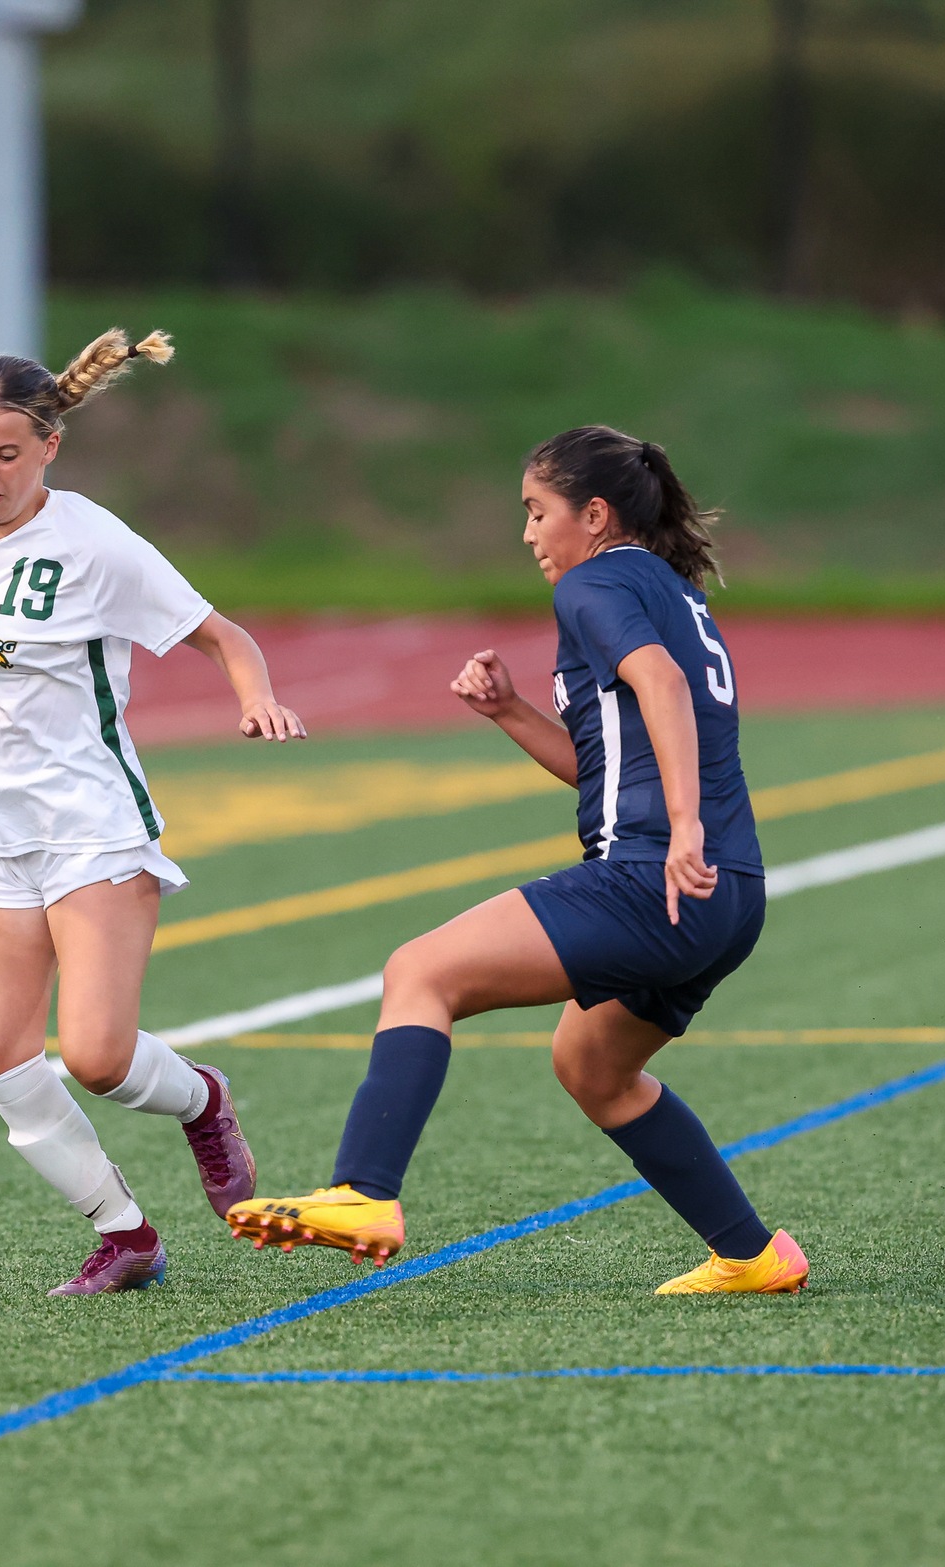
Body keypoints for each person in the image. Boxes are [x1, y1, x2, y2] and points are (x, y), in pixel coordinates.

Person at [224, 426, 805, 1295]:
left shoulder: (594, 581)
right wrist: (509, 711)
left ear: (595, 515)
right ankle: (755, 1255)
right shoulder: (670, 589)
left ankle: (362, 1191)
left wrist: (681, 827)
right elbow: (610, 754)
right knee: (593, 1069)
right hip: (729, 896)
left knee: (419, 971)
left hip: (656, 875)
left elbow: (662, 687)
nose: (529, 534)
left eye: (538, 512)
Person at [0, 328, 306, 1296]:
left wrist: (253, 694)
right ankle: (124, 1233)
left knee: (95, 1055)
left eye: (4, 453)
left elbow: (222, 634)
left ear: (49, 448)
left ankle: (204, 1099)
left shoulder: (93, 544)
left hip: (92, 827)